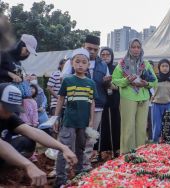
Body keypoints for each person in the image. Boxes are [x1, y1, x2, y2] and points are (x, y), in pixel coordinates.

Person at [0, 83, 77, 186]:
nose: (10, 112)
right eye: (7, 107)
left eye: (13, 108)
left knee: (27, 142)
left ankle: (6, 171)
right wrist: (28, 165)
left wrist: (63, 147)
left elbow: (33, 131)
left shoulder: (9, 116)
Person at [61, 35, 110, 171]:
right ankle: (65, 166)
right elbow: (63, 81)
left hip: (97, 105)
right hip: (75, 106)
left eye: (95, 49)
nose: (92, 51)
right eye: (89, 48)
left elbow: (106, 86)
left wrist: (107, 82)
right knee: (70, 137)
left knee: (89, 137)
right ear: (84, 46)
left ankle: (85, 164)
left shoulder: (103, 64)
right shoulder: (72, 61)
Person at [53, 48, 97, 187]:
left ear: (88, 65)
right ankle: (60, 178)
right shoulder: (68, 80)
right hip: (69, 121)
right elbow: (60, 100)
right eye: (77, 62)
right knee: (64, 148)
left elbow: (92, 103)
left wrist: (91, 120)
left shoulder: (91, 83)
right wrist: (55, 118)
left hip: (83, 123)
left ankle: (79, 173)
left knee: (81, 148)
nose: (80, 65)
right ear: (72, 63)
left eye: (84, 62)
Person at [112, 38, 157, 154]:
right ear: (129, 48)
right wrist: (126, 80)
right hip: (128, 97)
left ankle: (140, 153)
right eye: (133, 47)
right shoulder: (121, 64)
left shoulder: (145, 64)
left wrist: (146, 83)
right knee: (128, 127)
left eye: (138, 47)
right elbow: (115, 80)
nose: (136, 49)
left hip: (143, 97)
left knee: (142, 128)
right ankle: (126, 154)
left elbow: (155, 81)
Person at [94, 47, 121, 159]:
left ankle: (116, 150)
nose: (105, 57)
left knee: (115, 124)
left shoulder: (116, 69)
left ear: (112, 56)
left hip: (113, 100)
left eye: (107, 54)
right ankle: (100, 151)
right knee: (101, 125)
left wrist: (110, 84)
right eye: (103, 54)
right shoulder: (98, 67)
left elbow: (120, 84)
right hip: (100, 100)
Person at [151, 58, 170, 143]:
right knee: (157, 127)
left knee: (168, 127)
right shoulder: (154, 79)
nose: (165, 68)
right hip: (156, 105)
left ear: (169, 68)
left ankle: (168, 145)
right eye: (163, 66)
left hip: (169, 105)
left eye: (166, 66)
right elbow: (149, 89)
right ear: (159, 68)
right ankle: (155, 144)